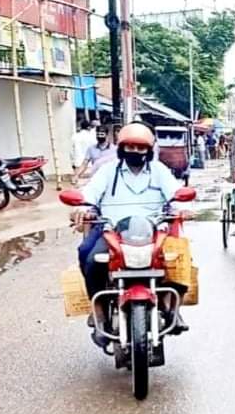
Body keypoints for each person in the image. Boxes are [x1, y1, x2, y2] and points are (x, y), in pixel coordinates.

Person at [75, 123, 189, 348]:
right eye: (130, 147)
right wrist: (82, 206)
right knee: (88, 255)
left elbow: (175, 194)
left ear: (149, 150)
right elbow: (90, 193)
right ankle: (99, 313)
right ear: (121, 148)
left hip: (154, 231)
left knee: (182, 259)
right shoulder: (108, 170)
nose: (135, 152)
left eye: (141, 148)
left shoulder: (159, 170)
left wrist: (182, 207)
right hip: (112, 231)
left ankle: (171, 309)